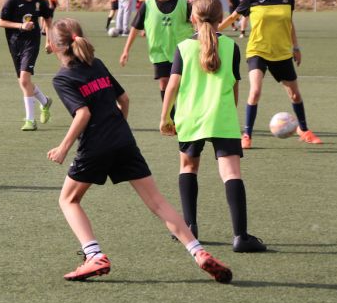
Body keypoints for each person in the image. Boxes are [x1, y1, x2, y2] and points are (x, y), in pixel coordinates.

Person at [47, 17, 232, 283]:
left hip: (95, 146)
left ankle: (94, 255)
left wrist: (63, 147)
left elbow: (83, 113)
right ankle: (198, 252)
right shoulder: (96, 64)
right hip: (124, 141)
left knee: (68, 200)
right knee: (157, 202)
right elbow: (124, 99)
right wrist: (118, 127)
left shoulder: (63, 77)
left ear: (53, 46)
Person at [160, 0, 267, 253]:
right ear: (221, 19)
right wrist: (230, 112)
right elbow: (234, 86)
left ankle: (190, 227)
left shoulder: (184, 47)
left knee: (188, 168)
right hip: (222, 117)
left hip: (190, 118)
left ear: (192, 18)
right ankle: (240, 236)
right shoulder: (231, 47)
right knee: (231, 174)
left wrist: (165, 117)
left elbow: (172, 86)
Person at [220, 0, 322, 148]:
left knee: (295, 95)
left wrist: (296, 47)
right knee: (255, 91)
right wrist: (214, 31)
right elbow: (233, 16)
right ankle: (247, 135)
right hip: (258, 51)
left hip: (282, 53)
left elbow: (289, 23)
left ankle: (304, 130)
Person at [120, 0, 194, 115]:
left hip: (182, 51)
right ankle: (170, 117)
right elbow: (135, 27)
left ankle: (184, 114)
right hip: (159, 52)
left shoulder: (183, 2)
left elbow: (196, 22)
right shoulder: (147, 4)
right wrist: (126, 50)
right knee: (164, 83)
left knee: (182, 85)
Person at [0, 0, 54, 131]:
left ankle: (30, 120)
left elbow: (49, 22)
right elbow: (1, 22)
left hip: (32, 43)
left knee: (24, 80)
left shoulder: (40, 2)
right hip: (15, 44)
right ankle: (45, 101)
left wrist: (48, 42)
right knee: (24, 82)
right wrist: (21, 25)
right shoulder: (12, 1)